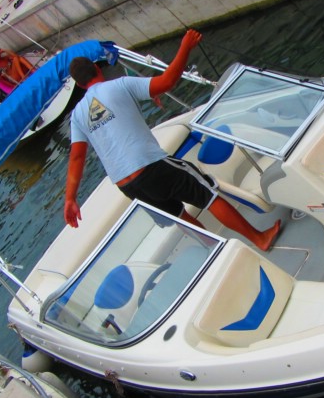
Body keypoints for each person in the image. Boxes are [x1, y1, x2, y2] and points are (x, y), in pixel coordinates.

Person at [64, 30, 282, 251]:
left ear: (80, 85)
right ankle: (259, 239)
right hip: (150, 166)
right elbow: (167, 81)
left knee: (180, 217)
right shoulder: (119, 85)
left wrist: (70, 199)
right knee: (208, 195)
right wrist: (185, 46)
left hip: (127, 185)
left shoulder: (78, 115)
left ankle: (217, 253)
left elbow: (77, 157)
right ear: (98, 68)